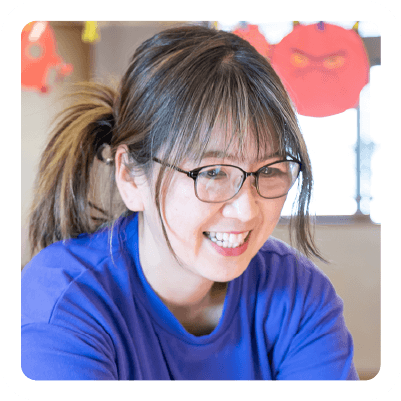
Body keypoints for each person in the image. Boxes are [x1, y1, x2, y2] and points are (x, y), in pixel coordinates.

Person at [21, 24, 359, 380]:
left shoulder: (298, 293)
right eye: (212, 172)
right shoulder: (62, 302)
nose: (246, 210)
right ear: (131, 176)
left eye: (269, 170)